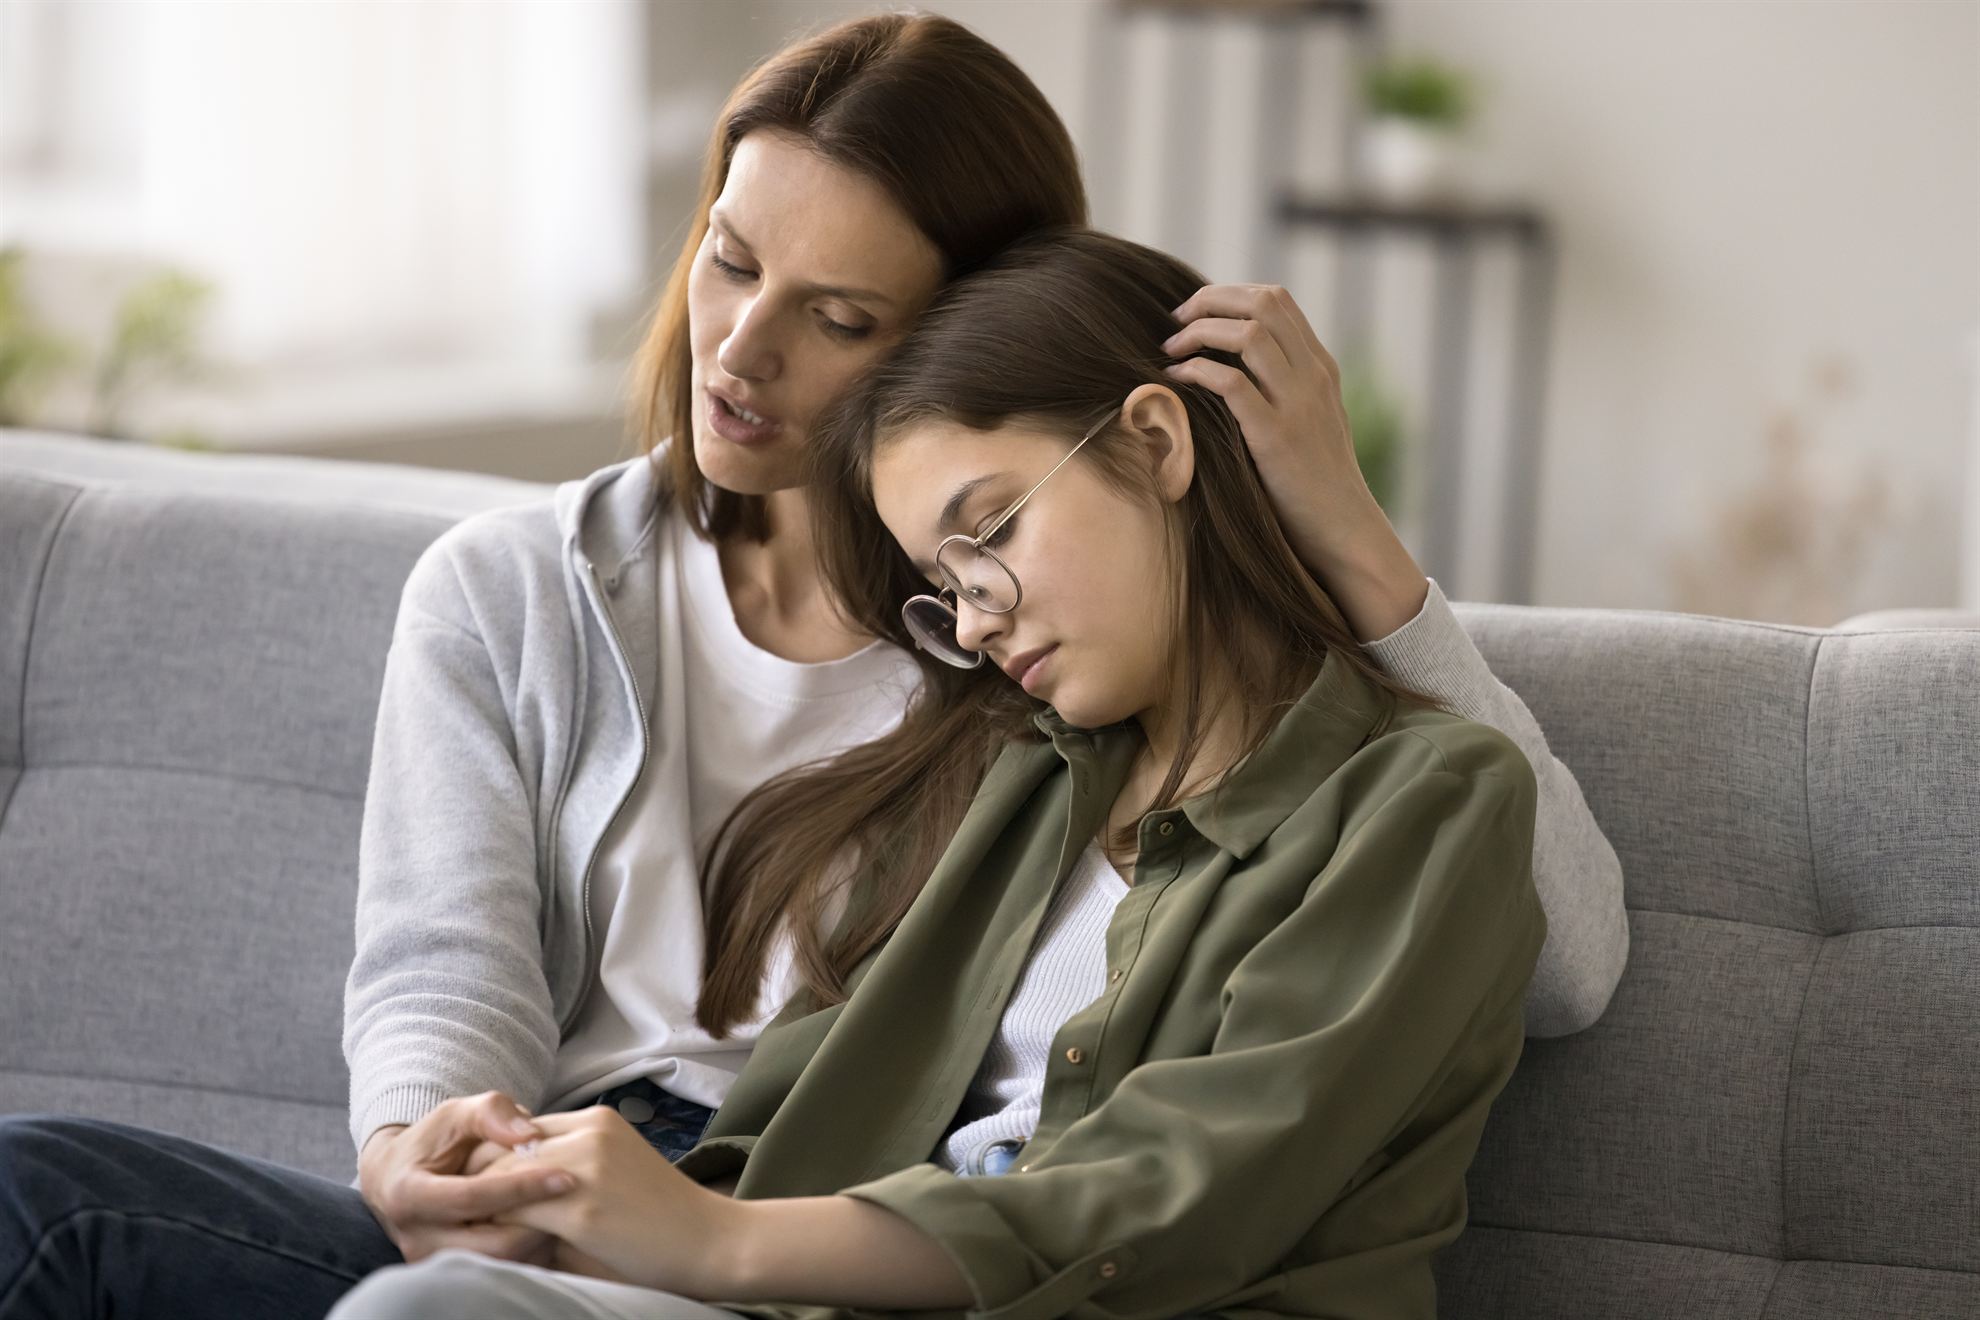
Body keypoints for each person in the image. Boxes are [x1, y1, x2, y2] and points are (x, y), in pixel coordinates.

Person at [0, 12, 1624, 1320]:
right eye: (729, 259)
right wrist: (452, 1162)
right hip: (674, 1190)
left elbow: (1536, 943)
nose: (742, 349)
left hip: (814, 1229)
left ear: (954, 331)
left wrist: (1346, 532)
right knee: (45, 1199)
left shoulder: (1068, 696)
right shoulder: (543, 599)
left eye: (841, 316)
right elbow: (455, 975)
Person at [332, 225, 1552, 1320]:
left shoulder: (1431, 799)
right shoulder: (1023, 771)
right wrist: (586, 1216)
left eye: (994, 534)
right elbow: (808, 1091)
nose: (972, 627)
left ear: (1155, 440)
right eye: (949, 583)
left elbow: (1180, 1201)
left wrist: (718, 1244)